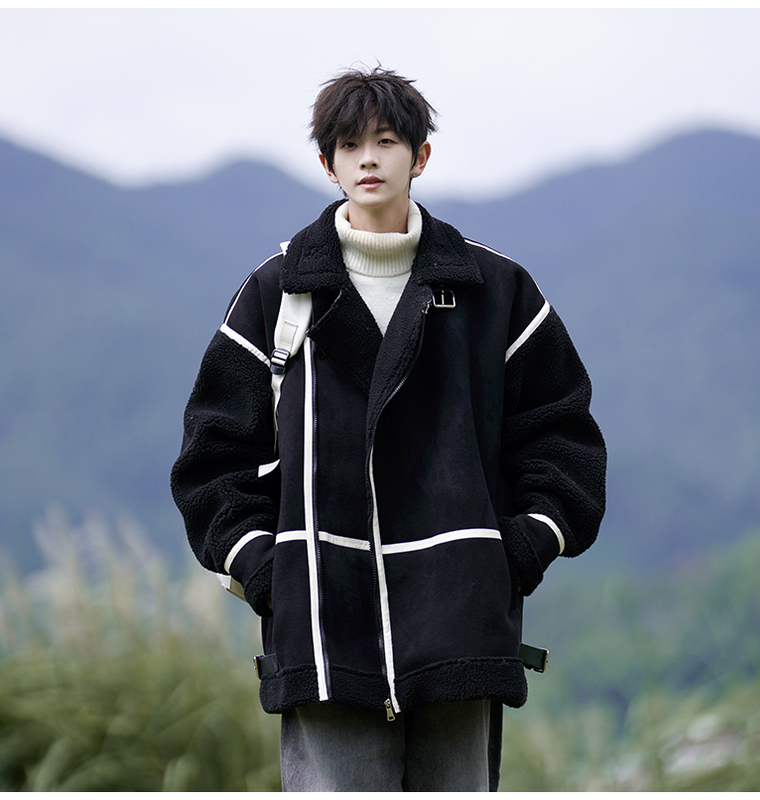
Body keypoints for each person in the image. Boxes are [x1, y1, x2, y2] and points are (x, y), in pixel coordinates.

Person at [171, 66, 606, 791]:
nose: (367, 159)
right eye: (348, 146)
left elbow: (564, 439)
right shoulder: (278, 293)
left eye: (385, 141)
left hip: (461, 626)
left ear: (420, 155)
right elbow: (213, 459)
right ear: (327, 164)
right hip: (323, 631)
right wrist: (268, 572)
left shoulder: (495, 290)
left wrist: (516, 552)